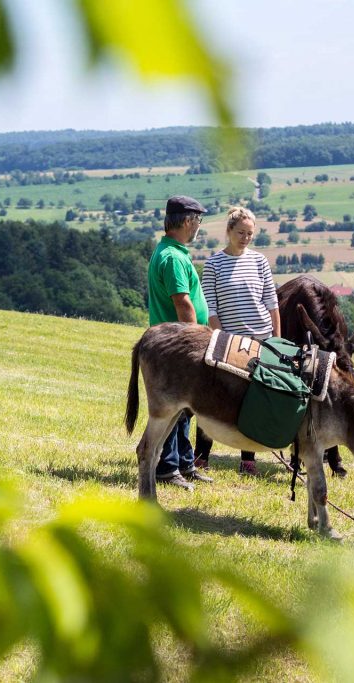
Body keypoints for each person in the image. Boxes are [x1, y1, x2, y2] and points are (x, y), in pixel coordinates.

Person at [195, 206, 280, 476]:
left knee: (254, 401)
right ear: (229, 231)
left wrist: (276, 340)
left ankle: (248, 460)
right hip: (229, 341)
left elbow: (272, 303)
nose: (245, 238)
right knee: (213, 398)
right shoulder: (214, 264)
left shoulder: (259, 261)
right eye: (241, 232)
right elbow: (211, 309)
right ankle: (201, 456)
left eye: (250, 234)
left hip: (261, 338)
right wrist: (222, 339)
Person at [146, 195, 215, 491]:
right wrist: (197, 339)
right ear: (187, 221)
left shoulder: (172, 251)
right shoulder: (173, 258)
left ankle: (185, 463)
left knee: (185, 406)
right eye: (198, 219)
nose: (199, 225)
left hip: (175, 342)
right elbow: (182, 303)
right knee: (174, 408)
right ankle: (167, 467)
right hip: (179, 344)